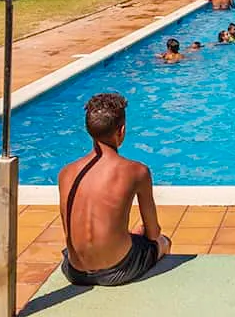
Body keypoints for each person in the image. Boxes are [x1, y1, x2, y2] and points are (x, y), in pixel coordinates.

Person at [58, 93, 170, 287]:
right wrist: (147, 234)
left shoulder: (66, 173)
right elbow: (153, 233)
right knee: (162, 242)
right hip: (118, 269)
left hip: (74, 271)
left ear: (88, 131)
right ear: (122, 130)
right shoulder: (137, 171)